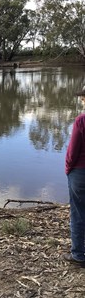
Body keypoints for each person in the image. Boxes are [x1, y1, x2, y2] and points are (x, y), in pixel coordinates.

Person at [64, 87, 85, 265]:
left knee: (78, 213)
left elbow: (73, 152)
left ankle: (78, 255)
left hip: (80, 173)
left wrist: (68, 168)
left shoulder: (81, 121)